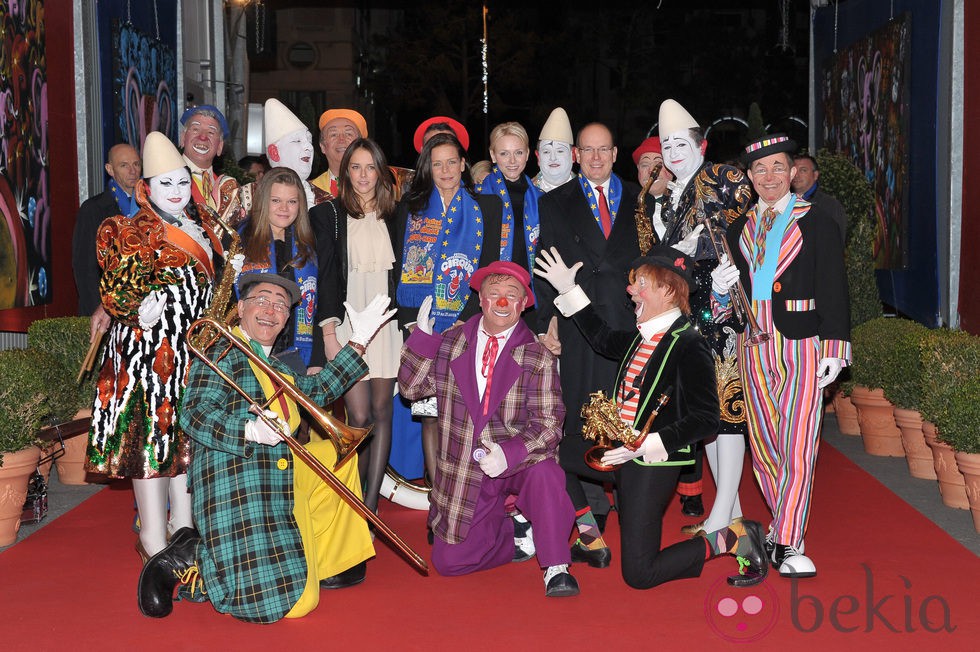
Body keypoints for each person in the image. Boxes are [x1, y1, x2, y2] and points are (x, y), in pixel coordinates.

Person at [138, 274, 394, 622]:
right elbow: (195, 415)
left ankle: (323, 559)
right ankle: (192, 557)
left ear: (287, 319)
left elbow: (317, 390)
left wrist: (360, 340)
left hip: (281, 471)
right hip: (240, 478)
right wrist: (247, 430)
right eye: (261, 299)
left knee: (339, 455)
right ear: (240, 308)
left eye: (280, 305)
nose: (270, 310)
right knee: (294, 605)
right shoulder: (220, 351)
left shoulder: (276, 365)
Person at [534, 245, 768, 589]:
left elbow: (706, 418)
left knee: (640, 575)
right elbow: (600, 338)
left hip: (652, 461)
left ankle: (732, 538)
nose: (631, 290)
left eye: (641, 282)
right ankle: (590, 538)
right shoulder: (640, 337)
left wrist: (646, 444)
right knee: (550, 453)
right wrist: (569, 289)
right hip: (618, 449)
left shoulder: (690, 345)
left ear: (668, 290)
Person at [711, 134, 851, 578]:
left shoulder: (818, 222)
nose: (768, 176)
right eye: (760, 170)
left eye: (777, 167)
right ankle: (780, 531)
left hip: (803, 343)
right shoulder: (738, 229)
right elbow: (733, 300)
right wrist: (718, 291)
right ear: (750, 179)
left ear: (793, 173)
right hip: (752, 345)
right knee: (766, 445)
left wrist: (835, 346)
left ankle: (789, 542)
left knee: (799, 445)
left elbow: (834, 287)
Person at [87, 131, 228, 564]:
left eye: (183, 182)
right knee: (151, 438)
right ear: (145, 187)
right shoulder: (127, 231)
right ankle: (151, 535)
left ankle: (182, 525)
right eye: (165, 184)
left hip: (193, 350)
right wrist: (133, 308)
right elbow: (118, 293)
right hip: (147, 353)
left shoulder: (203, 226)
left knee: (187, 438)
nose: (177, 191)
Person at [398, 261, 579, 597]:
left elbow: (551, 422)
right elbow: (411, 390)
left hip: (519, 460)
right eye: (493, 294)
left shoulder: (538, 355)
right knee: (450, 564)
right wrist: (422, 341)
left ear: (523, 304)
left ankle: (556, 565)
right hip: (468, 468)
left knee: (547, 475)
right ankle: (515, 529)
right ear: (480, 300)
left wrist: (510, 452)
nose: (501, 302)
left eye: (512, 296)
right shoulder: (452, 341)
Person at [535, 121, 641, 567]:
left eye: (604, 150)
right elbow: (545, 259)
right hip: (578, 323)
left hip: (629, 324)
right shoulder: (555, 201)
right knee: (580, 415)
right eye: (588, 151)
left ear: (616, 153)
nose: (596, 158)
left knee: (625, 416)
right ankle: (590, 514)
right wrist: (548, 321)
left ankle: (628, 501)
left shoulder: (640, 198)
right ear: (576, 155)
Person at [657, 99, 754, 532]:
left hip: (722, 311)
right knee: (709, 415)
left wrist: (703, 251)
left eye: (682, 143)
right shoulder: (670, 196)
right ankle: (730, 513)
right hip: (692, 315)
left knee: (728, 412)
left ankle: (722, 514)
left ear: (702, 144)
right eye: (666, 144)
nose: (674, 151)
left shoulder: (722, 175)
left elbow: (744, 224)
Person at [394, 131, 503, 494]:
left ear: (463, 164)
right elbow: (400, 268)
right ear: (428, 167)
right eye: (437, 163)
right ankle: (438, 496)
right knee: (429, 413)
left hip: (467, 322)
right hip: (421, 323)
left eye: (451, 162)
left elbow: (489, 269)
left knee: (464, 416)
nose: (445, 169)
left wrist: (467, 317)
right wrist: (413, 323)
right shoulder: (409, 209)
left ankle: (467, 493)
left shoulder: (487, 207)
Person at [311, 138, 402, 514]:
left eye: (370, 167)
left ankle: (369, 506)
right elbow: (326, 279)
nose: (364, 176)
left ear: (381, 172)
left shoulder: (398, 214)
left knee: (383, 412)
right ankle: (350, 501)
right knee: (359, 416)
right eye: (356, 167)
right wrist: (330, 334)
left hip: (386, 326)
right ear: (345, 172)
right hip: (349, 324)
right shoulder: (328, 215)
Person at [237, 166, 324, 373]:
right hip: (248, 350)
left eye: (292, 202)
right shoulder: (239, 240)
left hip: (296, 354)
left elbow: (319, 306)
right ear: (263, 201)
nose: (284, 208)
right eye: (276, 200)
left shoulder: (310, 245)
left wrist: (317, 359)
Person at [477, 121, 542, 327]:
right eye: (504, 153)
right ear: (493, 155)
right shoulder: (478, 196)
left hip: (530, 296)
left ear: (528, 153)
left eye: (519, 152)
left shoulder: (542, 199)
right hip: (490, 296)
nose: (512, 161)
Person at [73, 142, 141, 323]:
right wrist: (102, 309)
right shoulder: (93, 209)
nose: (132, 171)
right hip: (105, 311)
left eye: (136, 164)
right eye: (124, 165)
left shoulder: (149, 207)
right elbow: (85, 267)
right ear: (110, 169)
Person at [237, 99, 331, 220]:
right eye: (297, 141)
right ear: (274, 152)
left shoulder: (326, 200)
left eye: (310, 141)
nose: (308, 147)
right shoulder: (245, 197)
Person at [180, 105, 239, 217]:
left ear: (220, 147)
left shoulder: (227, 190)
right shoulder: (160, 179)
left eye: (211, 132)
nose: (203, 137)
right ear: (183, 138)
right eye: (196, 129)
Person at [310, 108, 368, 197]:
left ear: (361, 145)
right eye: (333, 134)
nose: (341, 139)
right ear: (322, 147)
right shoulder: (309, 191)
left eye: (349, 134)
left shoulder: (385, 190)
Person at [791, 153, 847, 243]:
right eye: (794, 170)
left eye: (803, 170)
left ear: (815, 175)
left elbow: (836, 243)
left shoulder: (830, 206)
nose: (796, 175)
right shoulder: (784, 204)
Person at [632, 136, 672, 242]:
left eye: (659, 164)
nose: (651, 171)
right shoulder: (625, 206)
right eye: (645, 165)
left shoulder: (687, 201)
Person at [533, 107, 576, 192]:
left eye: (560, 151)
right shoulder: (526, 192)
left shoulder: (587, 192)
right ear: (538, 157)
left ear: (573, 155)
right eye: (546, 152)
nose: (553, 158)